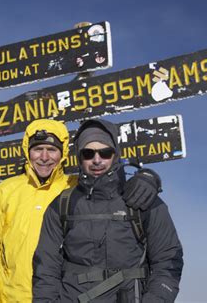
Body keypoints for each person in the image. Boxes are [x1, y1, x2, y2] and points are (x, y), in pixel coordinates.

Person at [0, 119, 162, 302]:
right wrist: (2, 279)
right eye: (38, 149)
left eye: (52, 150)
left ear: (63, 153)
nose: (44, 157)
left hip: (60, 295)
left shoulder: (75, 188)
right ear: (27, 151)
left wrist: (148, 178)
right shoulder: (7, 189)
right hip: (13, 297)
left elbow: (110, 189)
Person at [32, 118, 183, 303]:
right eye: (88, 153)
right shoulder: (62, 204)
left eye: (105, 152)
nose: (97, 160)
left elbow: (168, 261)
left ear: (115, 154)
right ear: (79, 157)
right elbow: (45, 267)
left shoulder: (143, 200)